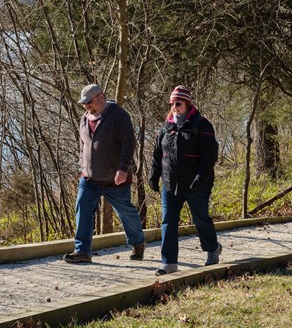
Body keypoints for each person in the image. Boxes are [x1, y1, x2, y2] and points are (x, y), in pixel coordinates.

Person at [63, 83, 146, 264]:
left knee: (125, 212)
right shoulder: (85, 118)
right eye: (84, 104)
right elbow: (83, 145)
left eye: (89, 102)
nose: (86, 106)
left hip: (115, 178)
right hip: (89, 178)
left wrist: (123, 169)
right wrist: (82, 165)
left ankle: (138, 243)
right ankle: (82, 251)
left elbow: (128, 143)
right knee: (82, 208)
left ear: (101, 98)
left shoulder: (119, 116)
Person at [148, 85, 221, 275]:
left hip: (197, 184)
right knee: (168, 221)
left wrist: (200, 178)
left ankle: (213, 249)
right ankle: (169, 262)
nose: (174, 106)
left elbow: (209, 157)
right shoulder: (166, 126)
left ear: (187, 103)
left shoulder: (202, 125)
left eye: (178, 103)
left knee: (200, 219)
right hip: (170, 184)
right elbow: (158, 155)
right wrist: (153, 175)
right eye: (172, 103)